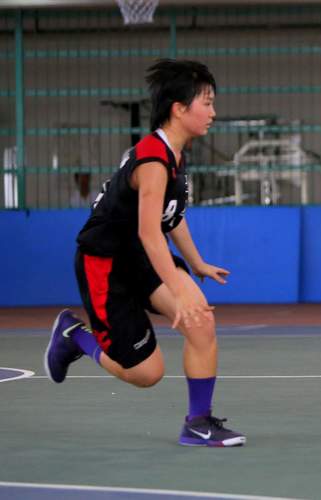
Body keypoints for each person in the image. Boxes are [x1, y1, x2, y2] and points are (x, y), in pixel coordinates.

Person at [44, 59, 245, 447]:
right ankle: (74, 336)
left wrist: (197, 264)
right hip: (105, 263)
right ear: (179, 108)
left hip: (139, 256)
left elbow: (171, 219)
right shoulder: (153, 158)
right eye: (207, 103)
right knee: (146, 373)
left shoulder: (175, 155)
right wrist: (175, 285)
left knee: (200, 320)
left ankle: (197, 423)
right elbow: (148, 232)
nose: (213, 113)